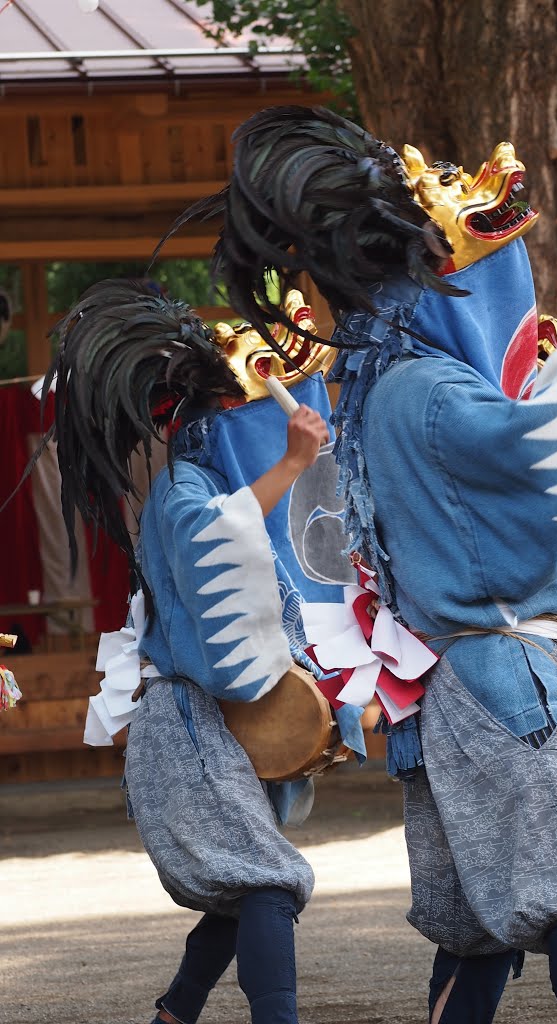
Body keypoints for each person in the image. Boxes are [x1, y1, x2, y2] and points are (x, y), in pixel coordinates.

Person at [176, 104, 557, 1024]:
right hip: (506, 671)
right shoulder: (427, 388)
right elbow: (541, 458)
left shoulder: (383, 391)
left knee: (480, 919)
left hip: (456, 683)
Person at [30, 279, 361, 1024]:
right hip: (183, 726)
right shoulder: (185, 491)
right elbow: (221, 538)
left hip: (204, 724)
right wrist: (292, 460)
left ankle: (174, 1015)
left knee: (245, 890)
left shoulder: (198, 482)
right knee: (267, 885)